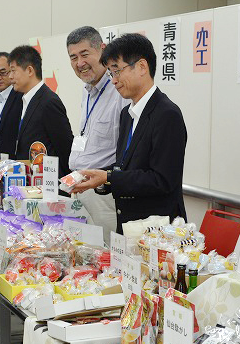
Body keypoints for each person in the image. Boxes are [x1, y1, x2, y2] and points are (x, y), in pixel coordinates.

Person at [72, 33, 187, 233]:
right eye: (110, 73)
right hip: (129, 226)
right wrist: (97, 178)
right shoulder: (127, 113)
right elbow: (124, 166)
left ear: (142, 67)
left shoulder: (167, 114)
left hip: (158, 231)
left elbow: (162, 180)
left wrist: (109, 178)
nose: (114, 80)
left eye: (117, 71)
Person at [66, 26, 129, 244]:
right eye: (73, 57)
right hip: (81, 188)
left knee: (107, 256)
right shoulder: (87, 92)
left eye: (85, 54)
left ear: (102, 50)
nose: (79, 63)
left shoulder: (119, 91)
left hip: (104, 193)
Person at [8, 45, 73, 177]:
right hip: (31, 182)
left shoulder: (48, 102)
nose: (10, 77)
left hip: (49, 185)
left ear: (30, 70)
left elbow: (65, 147)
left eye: (13, 71)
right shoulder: (24, 99)